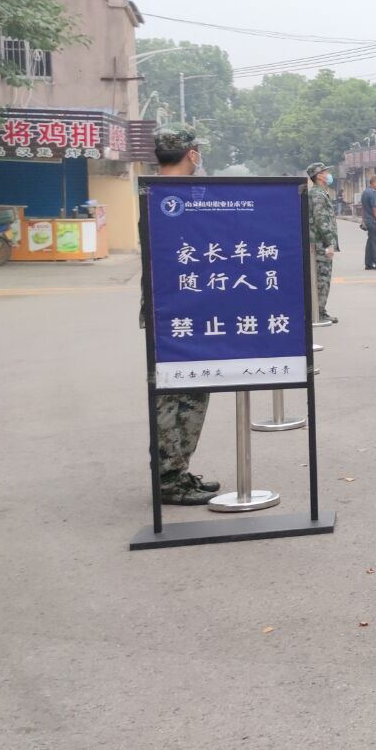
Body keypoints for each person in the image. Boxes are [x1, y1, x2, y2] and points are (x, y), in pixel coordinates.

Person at [144, 122, 217, 504]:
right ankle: (169, 480)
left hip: (182, 308)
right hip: (177, 311)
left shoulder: (156, 193)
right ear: (191, 154)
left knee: (191, 393)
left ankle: (178, 471)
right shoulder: (171, 197)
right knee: (174, 395)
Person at [306, 161, 339, 323]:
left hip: (319, 243)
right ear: (319, 176)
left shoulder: (319, 193)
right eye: (326, 172)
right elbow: (321, 221)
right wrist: (329, 243)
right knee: (322, 279)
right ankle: (318, 312)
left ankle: (319, 310)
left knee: (321, 278)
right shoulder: (318, 194)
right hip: (320, 244)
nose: (328, 175)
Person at [360, 174, 376, 270]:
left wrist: (364, 220)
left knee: (371, 242)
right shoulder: (372, 193)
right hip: (374, 221)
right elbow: (375, 209)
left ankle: (368, 263)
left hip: (368, 221)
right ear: (374, 183)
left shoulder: (365, 192)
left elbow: (364, 208)